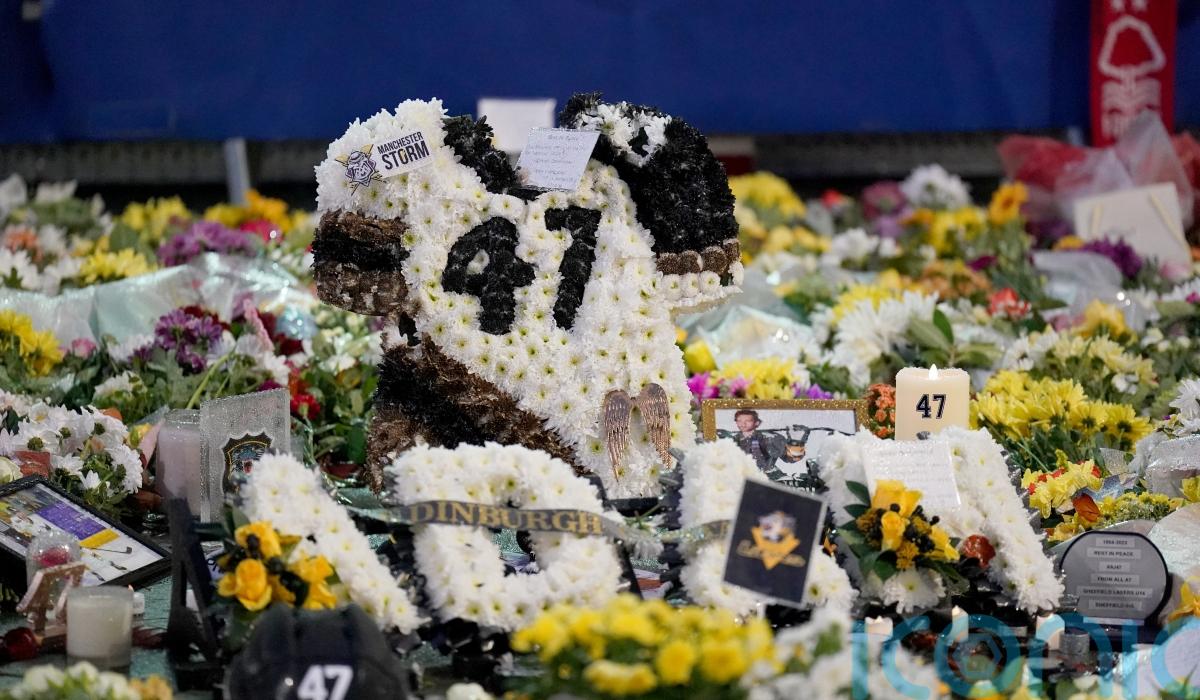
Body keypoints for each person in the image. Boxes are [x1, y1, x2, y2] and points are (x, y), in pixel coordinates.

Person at [730, 409, 787, 480]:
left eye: (748, 421)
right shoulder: (732, 440)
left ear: (756, 422)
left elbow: (788, 457)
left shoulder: (771, 438)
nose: (743, 424)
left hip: (770, 478)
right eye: (739, 421)